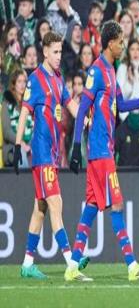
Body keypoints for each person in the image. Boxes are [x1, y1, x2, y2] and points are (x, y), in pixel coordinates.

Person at [65, 20, 139, 282]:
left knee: (92, 206)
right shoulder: (97, 71)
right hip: (99, 151)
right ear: (109, 43)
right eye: (119, 42)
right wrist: (75, 146)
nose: (123, 46)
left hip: (104, 149)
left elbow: (120, 105)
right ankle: (132, 266)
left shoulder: (110, 71)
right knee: (116, 204)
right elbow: (82, 109)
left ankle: (72, 266)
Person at [13, 32, 88, 279]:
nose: (58, 56)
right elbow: (25, 112)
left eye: (60, 52)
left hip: (53, 154)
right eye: (54, 52)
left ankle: (27, 264)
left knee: (41, 208)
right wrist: (17, 145)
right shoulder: (35, 80)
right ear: (45, 52)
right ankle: (71, 262)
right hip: (42, 152)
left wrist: (88, 118)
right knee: (56, 203)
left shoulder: (58, 78)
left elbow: (71, 105)